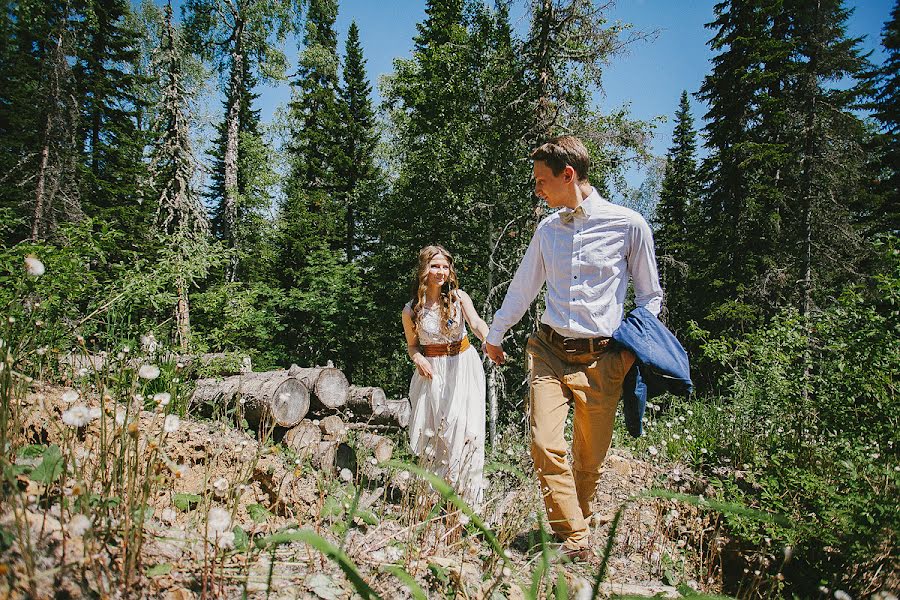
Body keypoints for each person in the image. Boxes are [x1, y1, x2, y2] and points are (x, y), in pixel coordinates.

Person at [483, 136, 663, 559]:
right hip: (548, 350)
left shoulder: (628, 224)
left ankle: (571, 535)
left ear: (569, 176)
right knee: (545, 444)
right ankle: (578, 538)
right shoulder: (548, 229)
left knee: (589, 459)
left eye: (542, 181)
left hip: (604, 358)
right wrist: (496, 334)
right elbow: (524, 285)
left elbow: (650, 295)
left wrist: (634, 347)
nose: (537, 190)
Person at [402, 245, 490, 506]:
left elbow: (475, 323)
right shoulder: (412, 310)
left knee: (464, 429)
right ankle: (434, 498)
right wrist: (418, 358)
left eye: (444, 266)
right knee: (436, 433)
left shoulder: (459, 298)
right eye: (435, 266)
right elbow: (412, 345)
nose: (440, 271)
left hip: (462, 366)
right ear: (424, 270)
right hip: (432, 373)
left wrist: (490, 340)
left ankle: (467, 499)